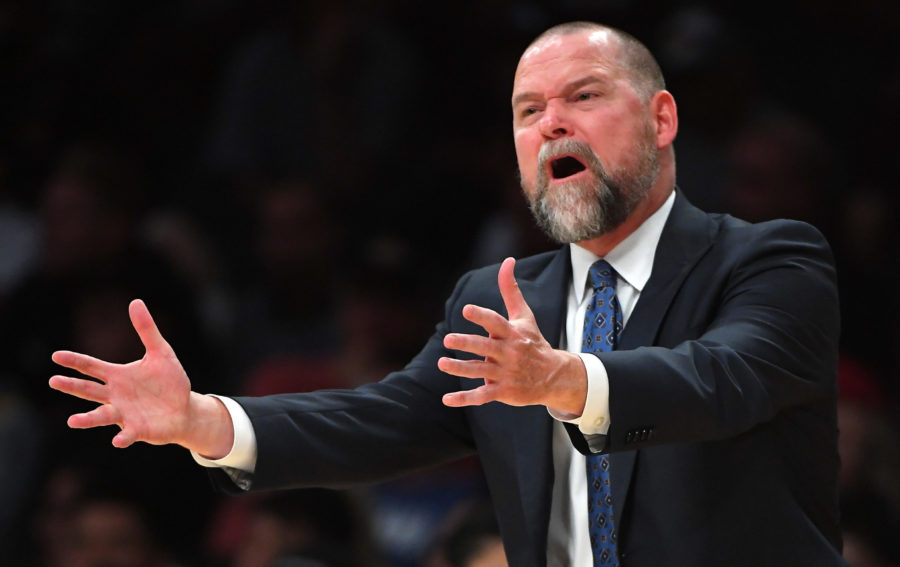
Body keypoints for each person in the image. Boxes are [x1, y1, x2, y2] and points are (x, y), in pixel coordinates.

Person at [48, 21, 845, 567]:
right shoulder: (501, 300)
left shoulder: (769, 259)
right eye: (529, 111)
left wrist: (566, 380)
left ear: (663, 117)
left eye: (586, 96)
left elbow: (721, 380)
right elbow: (381, 420)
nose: (552, 124)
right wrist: (205, 421)